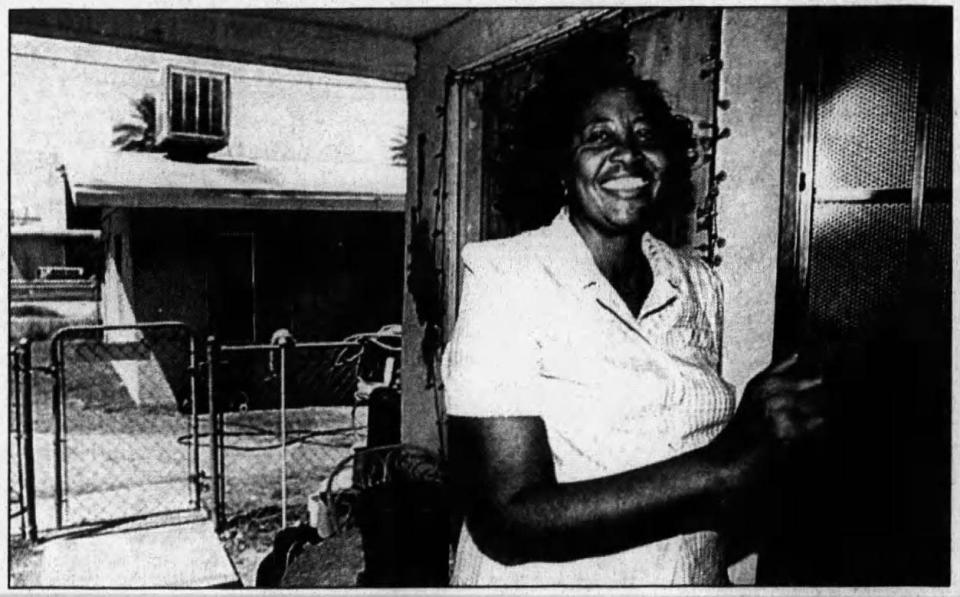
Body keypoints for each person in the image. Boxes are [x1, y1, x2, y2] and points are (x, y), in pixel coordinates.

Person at [441, 52, 827, 585]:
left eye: (645, 137)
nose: (628, 155)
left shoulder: (697, 282)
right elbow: (507, 517)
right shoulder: (505, 275)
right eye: (598, 138)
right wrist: (727, 463)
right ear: (560, 165)